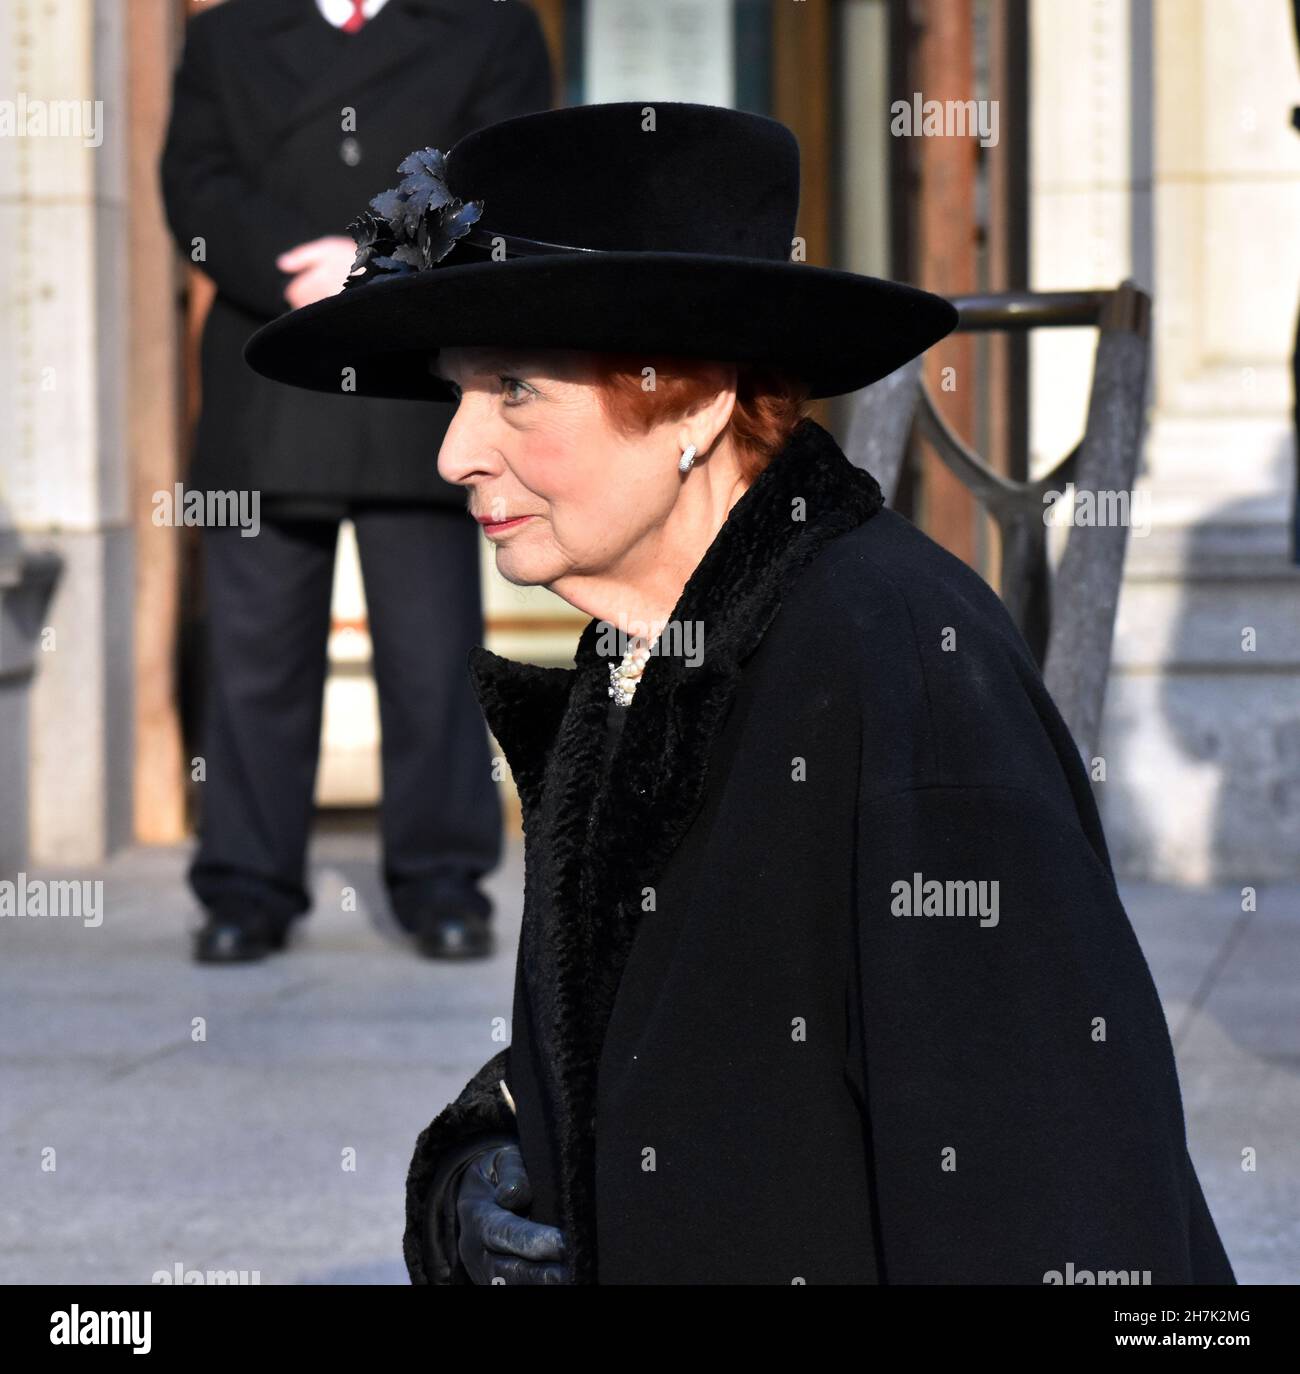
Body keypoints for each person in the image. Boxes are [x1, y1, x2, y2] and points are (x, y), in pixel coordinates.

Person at [245, 102, 1237, 1284]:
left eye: (513, 388)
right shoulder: (641, 653)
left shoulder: (898, 663)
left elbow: (1056, 1190)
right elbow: (638, 1051)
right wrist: (481, 1178)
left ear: (699, 401)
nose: (456, 452)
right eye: (460, 391)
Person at [158, 0, 552, 963]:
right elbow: (194, 184)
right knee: (256, 658)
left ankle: (442, 881)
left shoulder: (488, 26)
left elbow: (504, 173)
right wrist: (293, 268)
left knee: (432, 655)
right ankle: (245, 886)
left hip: (410, 371)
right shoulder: (225, 34)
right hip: (270, 359)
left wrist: (367, 256)